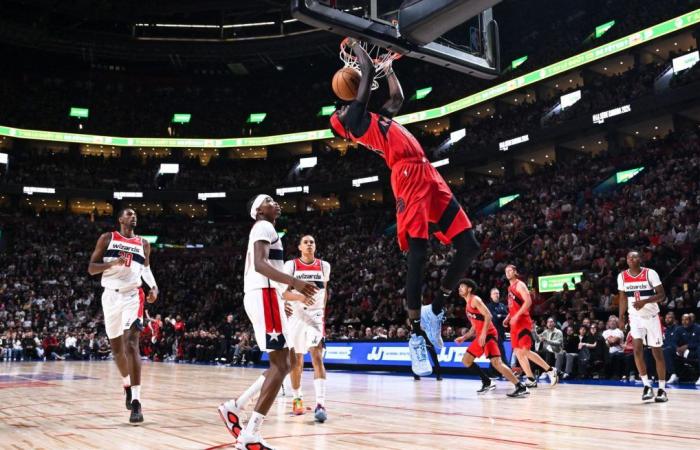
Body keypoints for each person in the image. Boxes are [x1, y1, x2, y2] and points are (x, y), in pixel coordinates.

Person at [329, 38, 480, 375]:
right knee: (418, 254)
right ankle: (414, 338)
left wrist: (391, 70)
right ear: (343, 125)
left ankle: (435, 309)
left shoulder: (376, 119)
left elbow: (397, 98)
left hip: (427, 171)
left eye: (339, 106)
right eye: (338, 111)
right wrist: (355, 44)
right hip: (407, 175)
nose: (338, 108)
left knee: (469, 245)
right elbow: (365, 71)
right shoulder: (353, 121)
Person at [218, 194, 317, 450]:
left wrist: (282, 294)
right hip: (263, 295)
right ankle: (249, 432)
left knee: (284, 363)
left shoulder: (267, 229)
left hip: (266, 296)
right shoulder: (264, 226)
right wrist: (293, 282)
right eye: (269, 200)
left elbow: (265, 269)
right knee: (283, 364)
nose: (275, 203)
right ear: (258, 210)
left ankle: (236, 407)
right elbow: (261, 265)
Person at [87, 207, 158, 423]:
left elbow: (145, 268)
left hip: (132, 295)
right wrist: (111, 263)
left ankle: (136, 402)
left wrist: (154, 287)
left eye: (135, 214)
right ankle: (127, 385)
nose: (133, 216)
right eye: (129, 214)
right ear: (120, 219)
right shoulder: (107, 238)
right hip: (110, 297)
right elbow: (91, 268)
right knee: (117, 350)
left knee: (131, 344)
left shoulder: (143, 243)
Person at [282, 235, 331, 422]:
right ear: (300, 247)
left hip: (315, 316)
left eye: (312, 242)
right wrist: (299, 298)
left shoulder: (324, 266)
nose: (309, 244)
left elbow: (325, 292)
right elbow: (284, 293)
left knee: (317, 355)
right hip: (295, 316)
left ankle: (321, 404)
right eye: (306, 242)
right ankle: (297, 398)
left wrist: (322, 312)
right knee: (297, 361)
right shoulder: (291, 266)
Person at [454, 279, 528, 397]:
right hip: (481, 336)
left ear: (469, 289)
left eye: (462, 287)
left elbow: (488, 315)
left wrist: (483, 334)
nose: (459, 288)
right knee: (466, 360)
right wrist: (464, 337)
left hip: (489, 335)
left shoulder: (475, 300)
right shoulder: (467, 305)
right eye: (459, 287)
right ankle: (487, 382)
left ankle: (520, 386)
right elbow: (474, 325)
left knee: (497, 363)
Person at [617, 250, 668, 402]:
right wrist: (621, 317)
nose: (631, 259)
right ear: (626, 260)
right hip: (635, 318)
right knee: (637, 350)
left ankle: (662, 389)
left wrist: (644, 302)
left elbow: (662, 295)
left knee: (657, 352)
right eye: (629, 257)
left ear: (640, 259)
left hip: (651, 317)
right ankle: (647, 386)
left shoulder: (650, 273)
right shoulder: (622, 276)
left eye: (635, 257)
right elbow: (622, 298)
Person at [503, 264, 558, 387]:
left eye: (510, 270)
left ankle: (550, 370)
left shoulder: (520, 284)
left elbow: (528, 302)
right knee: (518, 352)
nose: (507, 272)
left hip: (523, 322)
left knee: (525, 351)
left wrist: (516, 316)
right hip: (514, 323)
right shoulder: (509, 288)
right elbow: (514, 306)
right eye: (506, 271)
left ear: (515, 272)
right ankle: (531, 379)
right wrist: (508, 317)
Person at [487, 288, 509, 367]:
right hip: (493, 333)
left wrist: (501, 316)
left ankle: (494, 371)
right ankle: (508, 369)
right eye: (495, 293)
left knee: (496, 353)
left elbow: (508, 316)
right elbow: (494, 318)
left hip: (502, 332)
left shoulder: (502, 305)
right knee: (501, 351)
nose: (497, 295)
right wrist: (501, 316)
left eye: (498, 293)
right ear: (491, 296)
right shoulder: (489, 306)